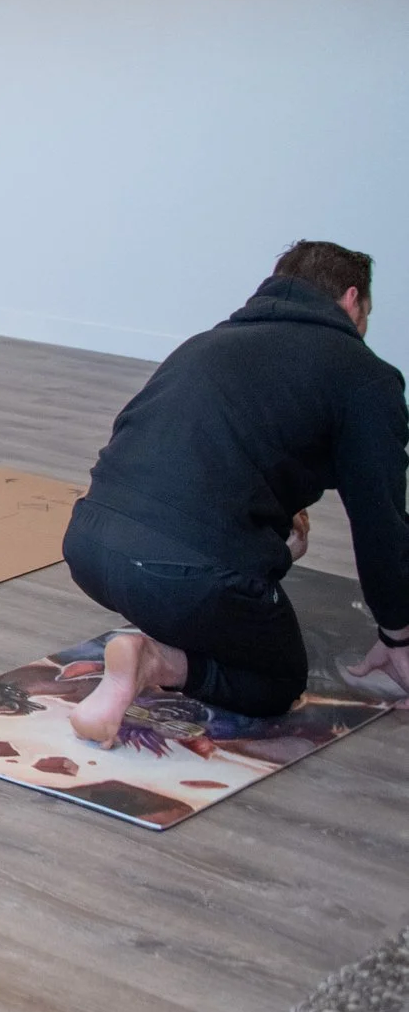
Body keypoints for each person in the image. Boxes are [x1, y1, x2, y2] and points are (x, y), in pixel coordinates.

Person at [64, 241, 409, 746]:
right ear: (352, 300)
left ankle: (155, 635)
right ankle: (155, 660)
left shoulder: (206, 344)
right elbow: (381, 523)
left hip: (89, 547)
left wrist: (269, 544)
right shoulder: (363, 374)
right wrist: (398, 634)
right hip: (185, 573)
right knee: (276, 682)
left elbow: (183, 450)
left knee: (197, 587)